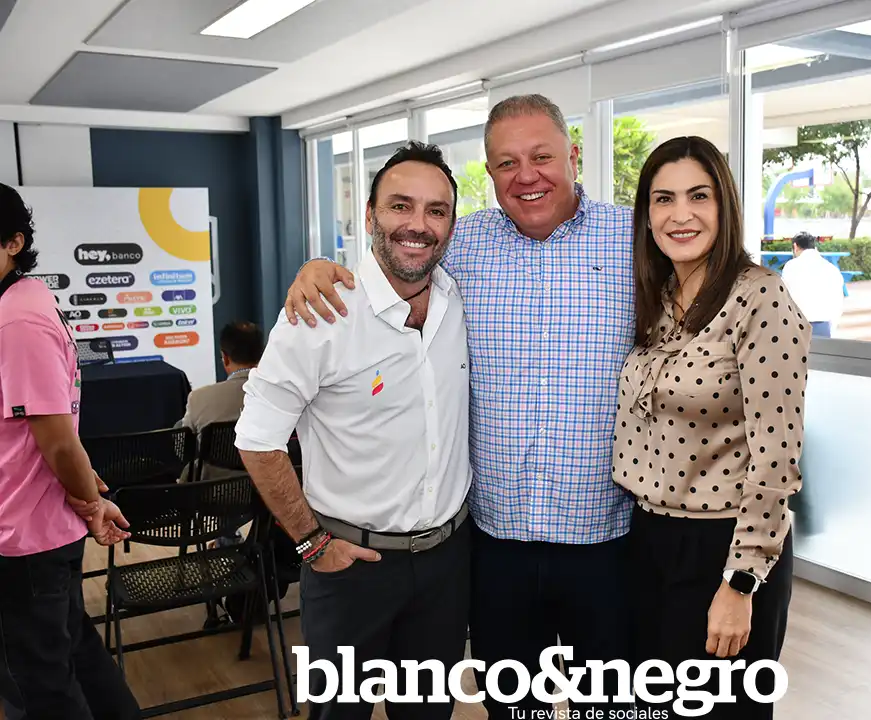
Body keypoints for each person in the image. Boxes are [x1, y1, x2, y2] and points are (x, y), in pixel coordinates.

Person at [283, 95, 635, 719]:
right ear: (490, 173)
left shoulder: (635, 241)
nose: (526, 176)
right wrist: (317, 267)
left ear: (574, 156)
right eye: (506, 163)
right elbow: (394, 258)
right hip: (493, 545)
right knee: (512, 708)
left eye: (541, 156)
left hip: (605, 540)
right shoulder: (461, 243)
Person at [234, 142, 472, 720]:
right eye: (400, 206)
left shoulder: (459, 294)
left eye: (436, 210)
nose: (418, 225)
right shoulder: (321, 313)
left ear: (452, 224)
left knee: (429, 716)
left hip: (446, 563)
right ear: (369, 216)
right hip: (350, 568)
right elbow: (257, 438)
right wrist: (310, 542)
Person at [614, 137, 806, 718]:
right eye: (663, 198)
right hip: (647, 540)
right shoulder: (659, 298)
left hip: (724, 548)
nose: (681, 214)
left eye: (699, 196)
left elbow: (777, 459)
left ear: (725, 206)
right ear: (647, 214)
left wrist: (740, 583)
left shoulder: (761, 298)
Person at [0, 182, 141, 719]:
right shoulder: (20, 302)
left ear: (14, 242)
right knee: (74, 658)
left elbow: (58, 439)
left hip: (24, 535)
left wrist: (91, 502)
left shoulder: (17, 318)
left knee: (41, 686)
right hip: (36, 527)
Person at [177, 320, 264, 483]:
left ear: (225, 358)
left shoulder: (199, 398)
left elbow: (182, 449)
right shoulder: (283, 396)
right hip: (268, 490)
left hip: (213, 491)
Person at [781, 231, 845, 338]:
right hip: (824, 326)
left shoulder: (791, 266)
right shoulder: (831, 268)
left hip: (797, 325)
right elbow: (838, 303)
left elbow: (783, 297)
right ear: (814, 247)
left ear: (795, 246)